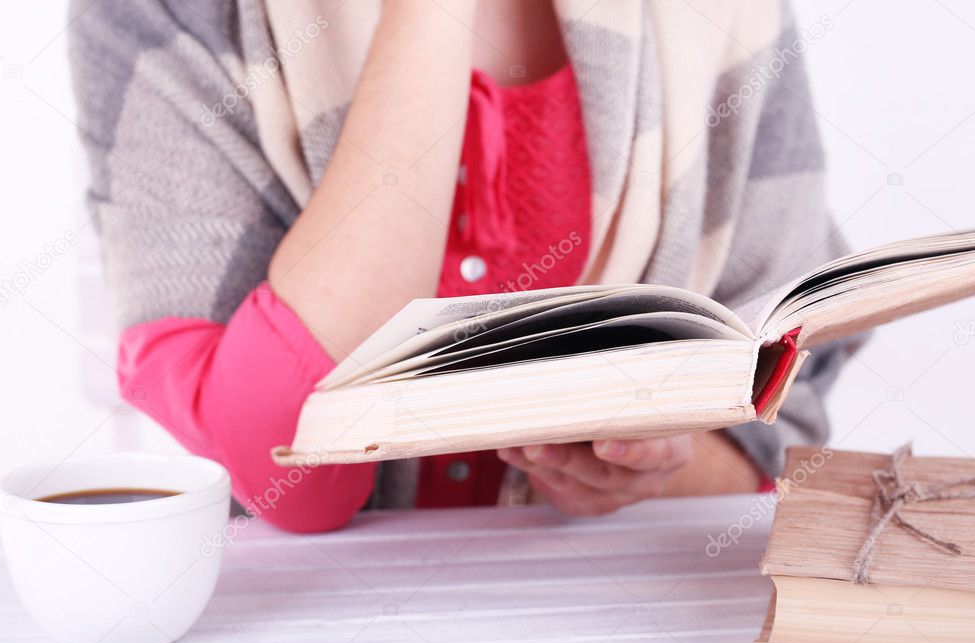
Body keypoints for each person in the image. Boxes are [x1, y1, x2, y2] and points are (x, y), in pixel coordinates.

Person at [69, 0, 858, 532]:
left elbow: (776, 435)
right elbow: (278, 465)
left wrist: (646, 473)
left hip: (620, 632)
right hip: (294, 642)